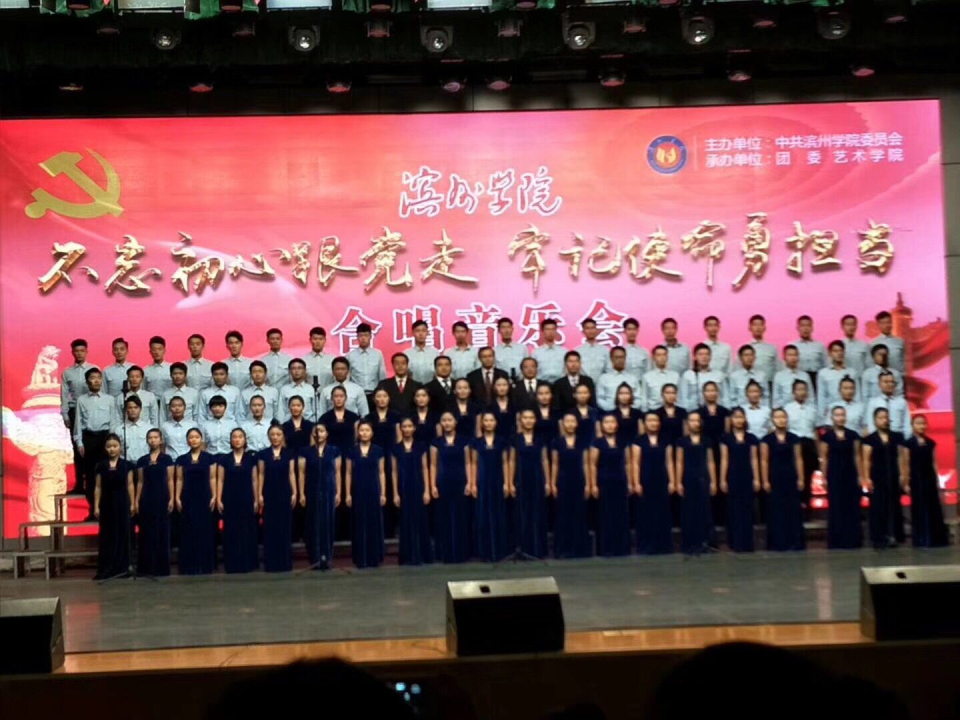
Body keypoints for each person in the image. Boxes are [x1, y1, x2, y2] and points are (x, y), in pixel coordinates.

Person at [74, 368, 119, 518]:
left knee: (108, 474)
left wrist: (112, 441)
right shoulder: (81, 400)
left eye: (99, 378)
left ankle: (108, 510)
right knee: (91, 476)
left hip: (105, 438)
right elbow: (78, 422)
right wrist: (79, 443)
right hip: (89, 439)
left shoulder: (109, 399)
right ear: (87, 381)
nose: (96, 381)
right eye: (93, 378)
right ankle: (93, 509)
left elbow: (113, 420)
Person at [861, 408, 906, 549]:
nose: (884, 420)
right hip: (877, 477)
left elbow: (901, 457)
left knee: (894, 505)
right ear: (875, 421)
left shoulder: (897, 437)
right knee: (878, 507)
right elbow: (866, 460)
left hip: (893, 475)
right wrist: (867, 478)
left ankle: (894, 535)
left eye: (886, 417)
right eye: (880, 418)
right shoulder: (869, 439)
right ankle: (879, 537)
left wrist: (903, 474)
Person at [761, 408, 805, 551]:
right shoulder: (766, 440)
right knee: (776, 510)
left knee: (793, 510)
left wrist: (801, 478)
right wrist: (765, 480)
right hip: (774, 477)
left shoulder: (794, 438)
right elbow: (764, 461)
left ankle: (794, 542)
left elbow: (798, 459)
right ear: (772, 420)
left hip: (791, 477)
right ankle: (778, 543)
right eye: (777, 417)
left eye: (783, 417)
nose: (781, 420)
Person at [175, 428, 217, 575]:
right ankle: (189, 565)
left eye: (196, 437)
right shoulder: (182, 459)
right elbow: (179, 479)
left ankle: (205, 564)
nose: (193, 440)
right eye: (191, 437)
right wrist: (177, 497)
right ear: (187, 440)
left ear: (201, 439)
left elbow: (213, 478)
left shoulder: (209, 458)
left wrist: (214, 496)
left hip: (204, 496)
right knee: (188, 530)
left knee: (204, 530)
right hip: (187, 497)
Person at [299, 423, 341, 570]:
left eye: (322, 431)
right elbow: (302, 473)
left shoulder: (334, 451)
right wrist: (301, 493)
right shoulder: (306, 451)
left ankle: (327, 557)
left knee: (327, 523)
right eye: (316, 431)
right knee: (313, 523)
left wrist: (338, 492)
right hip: (312, 490)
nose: (319, 434)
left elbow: (337, 473)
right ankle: (314, 557)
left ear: (327, 433)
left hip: (329, 490)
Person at [820, 407, 863, 549]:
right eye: (837, 415)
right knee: (836, 506)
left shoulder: (853, 435)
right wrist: (823, 477)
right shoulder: (827, 436)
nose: (840, 418)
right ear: (832, 418)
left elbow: (857, 456)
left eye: (842, 415)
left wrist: (860, 475)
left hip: (850, 473)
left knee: (851, 506)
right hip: (834, 474)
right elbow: (824, 458)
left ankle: (853, 539)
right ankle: (837, 540)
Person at [431, 412, 471, 563]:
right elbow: (433, 465)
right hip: (442, 482)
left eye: (450, 420)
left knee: (460, 517)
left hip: (460, 481)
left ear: (455, 422)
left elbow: (468, 462)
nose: (447, 423)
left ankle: (461, 553)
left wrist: (469, 482)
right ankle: (445, 553)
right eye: (444, 420)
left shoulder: (463, 441)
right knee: (444, 518)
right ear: (440, 423)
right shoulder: (436, 442)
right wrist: (433, 485)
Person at [217, 428, 259, 573]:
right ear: (230, 440)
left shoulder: (251, 458)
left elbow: (255, 479)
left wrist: (256, 498)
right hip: (229, 498)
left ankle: (248, 563)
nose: (237, 439)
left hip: (247, 497)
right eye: (234, 437)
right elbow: (220, 480)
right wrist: (219, 498)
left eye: (240, 437)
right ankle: (232, 563)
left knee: (247, 529)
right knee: (231, 530)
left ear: (245, 440)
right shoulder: (224, 459)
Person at [470, 412, 510, 561]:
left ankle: (499, 551)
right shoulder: (476, 442)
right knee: (483, 516)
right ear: (482, 423)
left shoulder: (501, 441)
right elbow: (473, 463)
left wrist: (507, 482)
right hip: (482, 481)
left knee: (498, 515)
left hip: (498, 480)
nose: (488, 423)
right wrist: (473, 483)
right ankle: (485, 552)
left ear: (495, 423)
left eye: (491, 420)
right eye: (485, 420)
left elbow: (505, 462)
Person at [392, 417, 433, 565]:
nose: (407, 429)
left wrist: (427, 490)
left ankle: (422, 555)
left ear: (414, 428)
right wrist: (395, 493)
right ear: (401, 429)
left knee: (420, 520)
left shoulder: (421, 446)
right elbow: (394, 471)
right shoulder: (396, 448)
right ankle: (407, 556)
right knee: (405, 521)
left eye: (410, 426)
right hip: (403, 488)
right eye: (404, 426)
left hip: (418, 486)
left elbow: (425, 468)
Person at [346, 420, 386, 568]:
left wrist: (383, 493)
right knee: (359, 523)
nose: (364, 433)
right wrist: (348, 494)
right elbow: (348, 473)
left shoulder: (378, 450)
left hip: (373, 489)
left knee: (373, 522)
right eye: (361, 430)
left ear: (372, 433)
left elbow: (381, 472)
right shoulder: (352, 451)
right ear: (357, 433)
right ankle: (360, 557)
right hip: (357, 490)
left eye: (367, 430)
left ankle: (374, 557)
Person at [904, 415, 948, 547]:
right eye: (918, 423)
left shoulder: (931, 443)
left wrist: (937, 480)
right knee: (919, 507)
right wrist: (906, 482)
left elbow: (934, 462)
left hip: (929, 478)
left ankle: (935, 539)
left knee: (932, 507)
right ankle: (921, 538)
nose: (921, 426)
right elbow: (905, 463)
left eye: (923, 423)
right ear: (912, 426)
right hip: (916, 479)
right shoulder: (908, 443)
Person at [589, 414, 631, 556]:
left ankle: (622, 548)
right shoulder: (597, 443)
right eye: (606, 422)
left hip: (620, 481)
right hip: (604, 482)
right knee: (606, 514)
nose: (610, 425)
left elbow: (628, 463)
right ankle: (606, 548)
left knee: (621, 514)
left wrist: (630, 482)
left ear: (617, 425)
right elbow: (592, 465)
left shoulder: (623, 442)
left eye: (612, 422)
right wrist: (593, 484)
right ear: (602, 425)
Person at [633, 412, 675, 555]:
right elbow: (635, 463)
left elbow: (669, 462)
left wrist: (672, 481)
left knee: (662, 512)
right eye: (650, 420)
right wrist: (636, 482)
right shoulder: (639, 440)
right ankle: (646, 546)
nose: (653, 423)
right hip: (645, 480)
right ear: (644, 423)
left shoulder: (665, 440)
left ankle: (663, 546)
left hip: (662, 479)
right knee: (646, 513)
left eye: (655, 420)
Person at [93, 434, 134, 579]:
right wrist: (96, 506)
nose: (112, 449)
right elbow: (98, 487)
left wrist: (133, 503)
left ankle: (122, 568)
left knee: (123, 533)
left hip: (122, 501)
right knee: (107, 535)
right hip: (106, 502)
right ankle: (107, 568)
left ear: (120, 448)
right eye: (109, 446)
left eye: (115, 446)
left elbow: (130, 484)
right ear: (105, 448)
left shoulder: (126, 465)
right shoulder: (101, 465)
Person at [134, 428, 173, 576]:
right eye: (150, 437)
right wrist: (136, 500)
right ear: (147, 441)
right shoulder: (142, 460)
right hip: (146, 497)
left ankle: (161, 568)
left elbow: (170, 480)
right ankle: (146, 567)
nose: (153, 440)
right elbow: (140, 482)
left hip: (162, 496)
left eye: (156, 437)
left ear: (161, 440)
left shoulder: (167, 459)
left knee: (162, 531)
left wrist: (171, 498)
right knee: (146, 532)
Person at [552, 413, 592, 558]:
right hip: (563, 480)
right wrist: (553, 483)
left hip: (579, 480)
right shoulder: (557, 442)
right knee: (563, 514)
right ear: (562, 424)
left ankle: (580, 549)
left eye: (572, 421)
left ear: (576, 424)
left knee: (579, 513)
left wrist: (588, 483)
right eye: (567, 421)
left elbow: (586, 463)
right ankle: (563, 550)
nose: (569, 424)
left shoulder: (583, 441)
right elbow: (555, 464)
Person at [676, 411, 716, 555]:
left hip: (703, 477)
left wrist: (713, 481)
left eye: (697, 420)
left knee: (704, 510)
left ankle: (705, 542)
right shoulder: (682, 441)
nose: (695, 423)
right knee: (689, 511)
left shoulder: (706, 440)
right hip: (687, 478)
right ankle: (690, 543)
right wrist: (678, 482)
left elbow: (710, 461)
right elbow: (679, 462)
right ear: (687, 423)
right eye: (692, 420)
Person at [720, 408, 760, 552]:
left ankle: (747, 543)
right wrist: (722, 479)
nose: (738, 420)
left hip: (747, 474)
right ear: (731, 420)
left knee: (747, 509)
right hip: (732, 474)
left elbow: (754, 459)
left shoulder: (751, 438)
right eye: (735, 417)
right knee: (734, 509)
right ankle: (735, 542)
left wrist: (757, 478)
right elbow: (724, 459)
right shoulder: (726, 438)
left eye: (741, 417)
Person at [511, 409, 550, 558]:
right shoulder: (515, 439)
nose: (528, 420)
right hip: (521, 479)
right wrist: (510, 482)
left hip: (537, 478)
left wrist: (547, 482)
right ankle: (523, 548)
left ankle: (538, 549)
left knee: (538, 513)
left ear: (535, 420)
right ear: (520, 421)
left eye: (531, 417)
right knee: (523, 514)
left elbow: (545, 460)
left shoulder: (540, 439)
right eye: (525, 418)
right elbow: (511, 461)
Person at [258, 424, 296, 573]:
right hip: (269, 492)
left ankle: (285, 562)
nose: (275, 437)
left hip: (284, 492)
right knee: (270, 528)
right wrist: (259, 494)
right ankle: (271, 563)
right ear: (268, 437)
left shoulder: (289, 453)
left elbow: (291, 473)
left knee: (284, 527)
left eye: (278, 434)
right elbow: (261, 474)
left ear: (282, 436)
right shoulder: (263, 454)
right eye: (272, 435)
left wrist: (295, 492)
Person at [61, 338, 98, 494]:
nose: (79, 353)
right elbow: (64, 394)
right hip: (74, 410)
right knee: (77, 448)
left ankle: (93, 482)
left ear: (86, 351)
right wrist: (65, 414)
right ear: (72, 353)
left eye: (82, 351)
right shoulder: (67, 372)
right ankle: (79, 484)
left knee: (91, 447)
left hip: (91, 410)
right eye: (76, 351)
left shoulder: (94, 369)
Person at [783, 379, 818, 514]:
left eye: (804, 389)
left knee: (808, 477)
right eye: (798, 389)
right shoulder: (787, 409)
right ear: (793, 392)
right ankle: (793, 506)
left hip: (809, 444)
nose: (801, 392)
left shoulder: (812, 409)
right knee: (793, 476)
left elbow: (815, 431)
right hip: (793, 443)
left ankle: (806, 506)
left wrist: (818, 451)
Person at [816, 341, 860, 422]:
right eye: (835, 351)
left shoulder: (852, 372)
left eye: (841, 351)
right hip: (831, 412)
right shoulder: (823, 373)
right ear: (830, 353)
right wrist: (821, 415)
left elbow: (857, 394)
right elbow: (821, 396)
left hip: (850, 412)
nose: (839, 353)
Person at [346, 323, 387, 407]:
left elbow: (382, 376)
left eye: (366, 335)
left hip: (374, 395)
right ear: (357, 337)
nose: (363, 338)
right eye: (360, 336)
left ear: (370, 336)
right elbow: (348, 378)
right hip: (356, 395)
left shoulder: (378, 354)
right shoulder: (350, 355)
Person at [680, 343, 726, 411]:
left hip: (716, 412)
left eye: (707, 354)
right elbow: (683, 399)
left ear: (710, 357)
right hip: (694, 412)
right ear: (695, 357)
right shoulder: (688, 375)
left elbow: (725, 397)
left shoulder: (719, 375)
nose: (704, 357)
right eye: (700, 354)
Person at [597, 347, 644, 412]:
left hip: (630, 413)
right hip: (609, 413)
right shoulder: (603, 378)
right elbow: (600, 399)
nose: (620, 360)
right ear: (611, 359)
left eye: (622, 357)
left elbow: (638, 399)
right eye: (617, 357)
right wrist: (613, 410)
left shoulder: (633, 378)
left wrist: (629, 409)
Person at [865, 371, 911, 437]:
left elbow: (907, 424)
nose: (889, 384)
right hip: (879, 438)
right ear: (879, 384)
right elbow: (871, 424)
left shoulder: (902, 402)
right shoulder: (873, 403)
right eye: (886, 382)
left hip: (898, 438)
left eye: (892, 382)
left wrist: (906, 439)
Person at [773, 345, 816, 410]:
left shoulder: (805, 376)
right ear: (784, 357)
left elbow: (811, 398)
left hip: (804, 410)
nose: (793, 358)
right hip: (786, 411)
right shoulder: (779, 376)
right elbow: (776, 401)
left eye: (795, 355)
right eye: (790, 355)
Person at [279, 358, 319, 422]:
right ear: (289, 371)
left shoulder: (311, 389)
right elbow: (281, 411)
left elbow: (316, 410)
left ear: (305, 370)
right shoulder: (284, 389)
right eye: (293, 368)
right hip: (289, 423)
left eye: (299, 368)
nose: (296, 371)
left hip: (308, 423)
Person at [112, 395, 150, 462]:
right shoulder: (119, 430)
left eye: (136, 407)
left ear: (140, 409)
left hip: (144, 463)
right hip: (126, 464)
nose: (133, 410)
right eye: (130, 407)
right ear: (126, 410)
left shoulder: (148, 428)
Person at [742, 314, 779, 383]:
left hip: (768, 383)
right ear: (749, 328)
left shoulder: (772, 348)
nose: (758, 327)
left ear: (765, 328)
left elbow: (778, 369)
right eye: (755, 325)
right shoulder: (744, 348)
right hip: (749, 384)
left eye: (760, 325)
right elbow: (738, 369)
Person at [643, 345, 680, 411]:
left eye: (664, 355)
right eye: (658, 355)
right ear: (653, 357)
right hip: (654, 410)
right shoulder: (647, 376)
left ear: (667, 357)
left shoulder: (675, 375)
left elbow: (679, 396)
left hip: (671, 410)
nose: (662, 358)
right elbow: (644, 398)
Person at [793, 315, 828, 382]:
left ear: (812, 328)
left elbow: (826, 364)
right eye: (802, 326)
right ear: (798, 328)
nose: (805, 328)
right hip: (799, 378)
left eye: (808, 325)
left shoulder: (820, 346)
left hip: (817, 378)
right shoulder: (793, 346)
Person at [532, 318, 566, 384]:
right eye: (547, 329)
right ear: (542, 331)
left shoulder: (564, 352)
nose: (550, 332)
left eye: (553, 329)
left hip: (560, 384)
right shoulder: (536, 353)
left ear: (556, 331)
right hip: (542, 384)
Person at [406, 319, 440, 385]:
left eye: (423, 331)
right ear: (413, 333)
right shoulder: (407, 354)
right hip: (413, 388)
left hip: (431, 388)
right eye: (417, 331)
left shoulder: (435, 353)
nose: (421, 334)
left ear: (427, 332)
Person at [572, 383, 599, 448]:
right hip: (576, 446)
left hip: (593, 445)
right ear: (574, 395)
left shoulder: (595, 412)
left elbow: (598, 432)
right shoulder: (570, 413)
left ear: (589, 394)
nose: (582, 395)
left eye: (585, 393)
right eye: (579, 393)